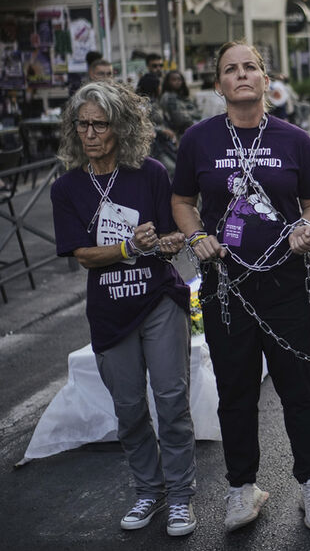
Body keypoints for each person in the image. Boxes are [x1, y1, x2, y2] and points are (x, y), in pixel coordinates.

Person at [171, 40, 310, 532]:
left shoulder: (294, 139)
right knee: (235, 391)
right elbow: (182, 201)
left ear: (266, 79)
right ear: (219, 84)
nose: (241, 75)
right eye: (230, 69)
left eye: (250, 67)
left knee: (298, 388)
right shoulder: (198, 140)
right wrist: (196, 235)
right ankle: (242, 487)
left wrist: (306, 226)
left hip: (286, 283)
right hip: (226, 289)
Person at [49, 81, 196, 536]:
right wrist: (128, 246)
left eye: (101, 124)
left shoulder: (150, 173)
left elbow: (172, 238)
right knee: (129, 409)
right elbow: (83, 255)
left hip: (159, 301)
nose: (90, 134)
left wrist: (168, 242)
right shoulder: (66, 188)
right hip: (110, 312)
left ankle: (180, 496)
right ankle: (149, 490)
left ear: (122, 127)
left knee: (171, 401)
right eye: (83, 124)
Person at [136, 73, 177, 177]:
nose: (160, 88)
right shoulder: (143, 105)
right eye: (159, 85)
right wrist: (161, 130)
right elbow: (141, 126)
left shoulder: (154, 102)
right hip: (154, 147)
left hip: (163, 144)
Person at [159, 70, 201, 135]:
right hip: (177, 132)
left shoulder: (183, 96)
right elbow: (179, 119)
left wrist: (188, 113)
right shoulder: (168, 97)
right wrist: (190, 114)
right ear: (168, 82)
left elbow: (198, 114)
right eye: (174, 80)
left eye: (179, 79)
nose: (177, 82)